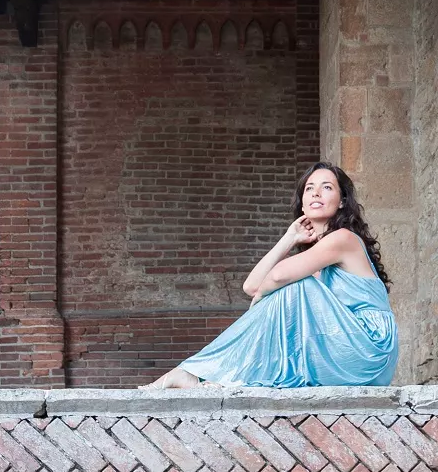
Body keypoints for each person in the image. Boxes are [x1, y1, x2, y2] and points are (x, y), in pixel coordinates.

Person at [139, 162, 398, 389]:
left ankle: (197, 372)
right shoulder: (316, 255)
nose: (316, 193)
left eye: (327, 187)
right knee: (291, 289)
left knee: (296, 287)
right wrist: (289, 238)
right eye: (309, 188)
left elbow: (277, 277)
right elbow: (252, 285)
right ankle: (206, 375)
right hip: (341, 350)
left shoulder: (343, 239)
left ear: (342, 201)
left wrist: (266, 293)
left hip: (369, 350)